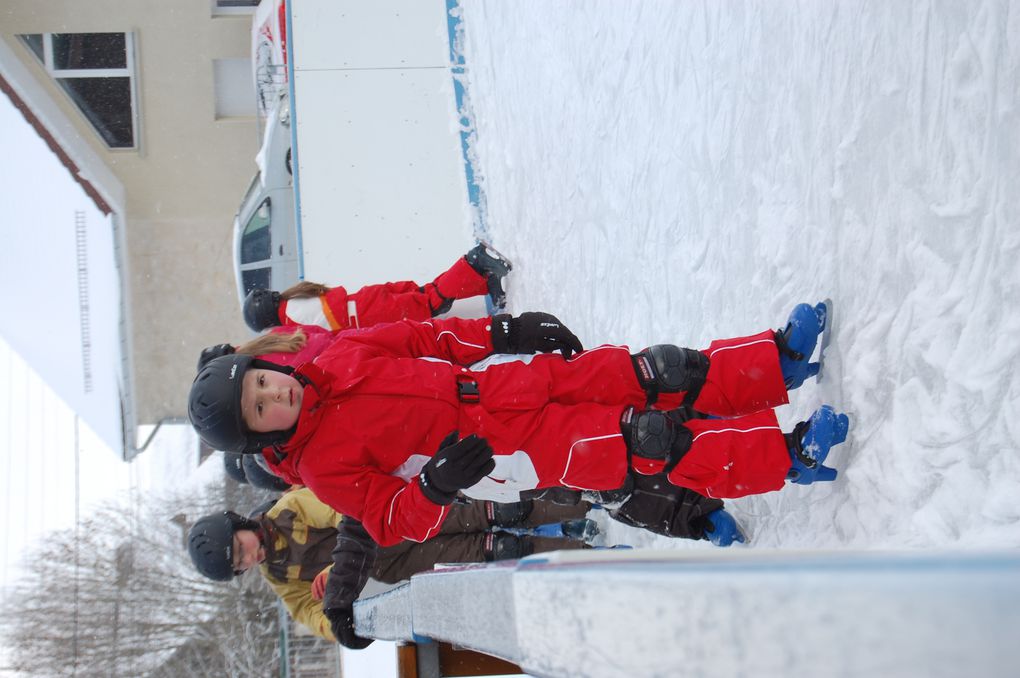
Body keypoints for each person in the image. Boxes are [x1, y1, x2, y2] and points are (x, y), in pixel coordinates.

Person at [188, 300, 850, 547]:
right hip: (503, 451)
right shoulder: (321, 469)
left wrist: (504, 329)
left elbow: (429, 338)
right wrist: (436, 488)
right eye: (259, 408)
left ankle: (776, 364)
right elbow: (389, 519)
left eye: (262, 381)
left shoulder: (339, 355)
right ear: (262, 437)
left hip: (509, 385)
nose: (274, 393)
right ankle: (788, 455)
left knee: (656, 370)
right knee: (646, 442)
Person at [186, 487, 590, 647]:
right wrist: (338, 622)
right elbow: (308, 611)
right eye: (240, 565)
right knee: (489, 549)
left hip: (399, 522)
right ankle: (582, 556)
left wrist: (336, 573)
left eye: (241, 548)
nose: (249, 558)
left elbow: (344, 512)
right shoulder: (278, 575)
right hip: (394, 563)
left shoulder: (288, 511)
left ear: (240, 525)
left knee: (488, 512)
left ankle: (580, 506)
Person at [241, 243, 513, 332]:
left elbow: (333, 336)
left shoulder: (293, 321)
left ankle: (475, 260)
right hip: (365, 303)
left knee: (431, 301)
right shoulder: (293, 300)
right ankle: (484, 279)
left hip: (370, 315)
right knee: (429, 296)